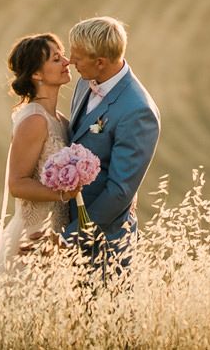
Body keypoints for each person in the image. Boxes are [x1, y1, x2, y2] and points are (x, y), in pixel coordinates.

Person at [62, 15, 161, 268]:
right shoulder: (86, 83)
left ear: (100, 62)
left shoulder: (138, 111)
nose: (70, 61)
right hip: (68, 229)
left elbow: (119, 192)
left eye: (78, 57)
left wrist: (67, 240)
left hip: (105, 246)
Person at [0, 32, 83, 280]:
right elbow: (17, 184)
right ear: (36, 74)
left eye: (62, 56)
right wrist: (63, 193)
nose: (66, 62)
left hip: (55, 235)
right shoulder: (34, 120)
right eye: (55, 59)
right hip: (31, 239)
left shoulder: (59, 121)